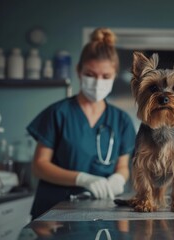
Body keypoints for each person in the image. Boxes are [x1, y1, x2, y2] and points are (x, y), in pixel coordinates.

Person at [27, 28, 136, 219]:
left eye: (105, 76)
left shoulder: (121, 120)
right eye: (90, 74)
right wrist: (82, 178)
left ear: (114, 75)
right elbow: (39, 165)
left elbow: (123, 166)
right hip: (53, 213)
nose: (97, 82)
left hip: (103, 212)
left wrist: (119, 178)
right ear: (79, 71)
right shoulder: (58, 113)